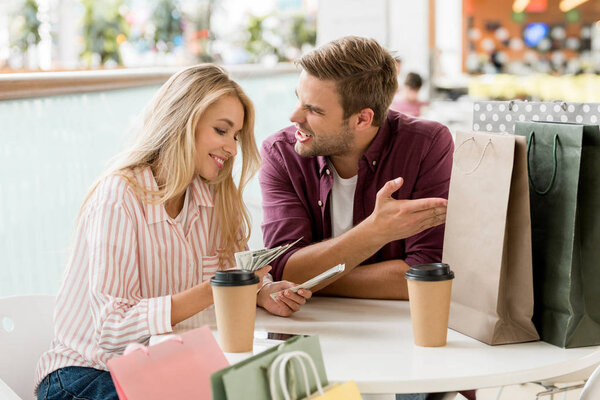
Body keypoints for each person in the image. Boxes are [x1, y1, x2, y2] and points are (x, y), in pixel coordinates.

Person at [34, 64, 311, 400]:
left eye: (236, 135)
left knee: (282, 388)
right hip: (88, 374)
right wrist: (219, 288)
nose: (234, 148)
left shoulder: (214, 200)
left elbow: (234, 275)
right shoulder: (119, 197)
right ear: (183, 122)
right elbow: (112, 330)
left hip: (165, 367)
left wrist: (262, 292)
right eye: (222, 131)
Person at [259, 36, 452, 302]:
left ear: (363, 119)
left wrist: (309, 278)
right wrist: (376, 230)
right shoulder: (280, 153)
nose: (294, 117)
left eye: (313, 110)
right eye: (298, 100)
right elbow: (282, 267)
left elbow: (426, 275)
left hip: (399, 329)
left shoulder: (427, 145)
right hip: (311, 324)